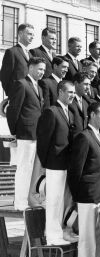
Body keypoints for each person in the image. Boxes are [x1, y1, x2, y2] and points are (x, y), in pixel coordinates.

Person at [67, 102, 100, 257]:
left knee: (97, 240)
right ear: (91, 115)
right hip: (86, 197)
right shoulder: (84, 137)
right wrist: (79, 198)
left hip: (98, 195)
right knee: (87, 241)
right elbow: (76, 170)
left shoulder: (98, 136)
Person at [36, 80, 77, 245]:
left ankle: (57, 233)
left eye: (74, 93)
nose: (72, 96)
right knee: (53, 200)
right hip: (54, 164)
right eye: (69, 92)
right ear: (60, 92)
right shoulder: (51, 112)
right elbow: (43, 141)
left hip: (65, 164)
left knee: (61, 200)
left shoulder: (70, 112)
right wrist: (46, 163)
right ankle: (52, 237)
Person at [7, 57, 46, 210]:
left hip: (37, 134)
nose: (42, 72)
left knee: (32, 169)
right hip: (25, 134)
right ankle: (20, 202)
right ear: (30, 68)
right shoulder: (21, 84)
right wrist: (15, 132)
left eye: (43, 69)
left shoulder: (39, 87)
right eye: (39, 69)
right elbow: (13, 110)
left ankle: (29, 200)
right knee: (24, 168)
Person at [0, 23, 34, 96]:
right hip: (16, 95)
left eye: (33, 35)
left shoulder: (31, 55)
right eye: (29, 34)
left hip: (30, 95)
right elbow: (4, 76)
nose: (32, 37)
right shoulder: (12, 52)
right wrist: (11, 93)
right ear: (20, 34)